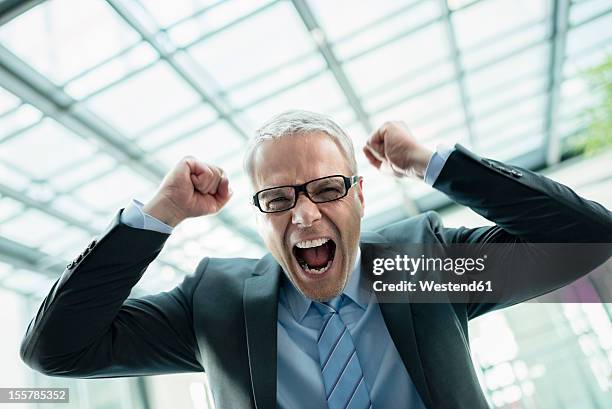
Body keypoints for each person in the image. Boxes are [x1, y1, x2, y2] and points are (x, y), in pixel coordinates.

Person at [21, 110, 611, 409]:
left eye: (326, 189)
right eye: (277, 199)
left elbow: (589, 239)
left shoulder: (420, 269)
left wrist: (431, 162)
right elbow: (56, 348)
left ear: (359, 195)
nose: (302, 217)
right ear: (258, 215)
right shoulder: (217, 305)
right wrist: (160, 214)